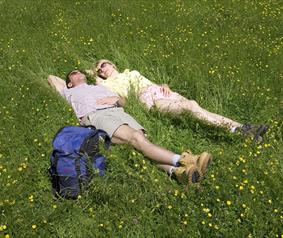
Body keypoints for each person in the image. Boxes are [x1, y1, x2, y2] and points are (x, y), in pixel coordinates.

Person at [47, 70, 213, 187]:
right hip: (97, 115)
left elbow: (124, 102)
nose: (78, 74)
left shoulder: (99, 87)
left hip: (118, 111)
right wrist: (70, 84)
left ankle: (178, 173)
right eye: (73, 74)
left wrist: (116, 99)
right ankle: (185, 160)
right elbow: (51, 78)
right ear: (69, 82)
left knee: (141, 145)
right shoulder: (68, 92)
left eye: (79, 72)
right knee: (137, 139)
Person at [93, 59, 269, 142]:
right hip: (149, 99)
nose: (102, 68)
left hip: (161, 91)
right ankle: (238, 130)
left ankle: (243, 129)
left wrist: (164, 84)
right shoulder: (108, 84)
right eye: (99, 69)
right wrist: (96, 77)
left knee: (197, 108)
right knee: (192, 107)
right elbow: (114, 95)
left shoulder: (130, 72)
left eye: (104, 64)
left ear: (112, 64)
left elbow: (149, 82)